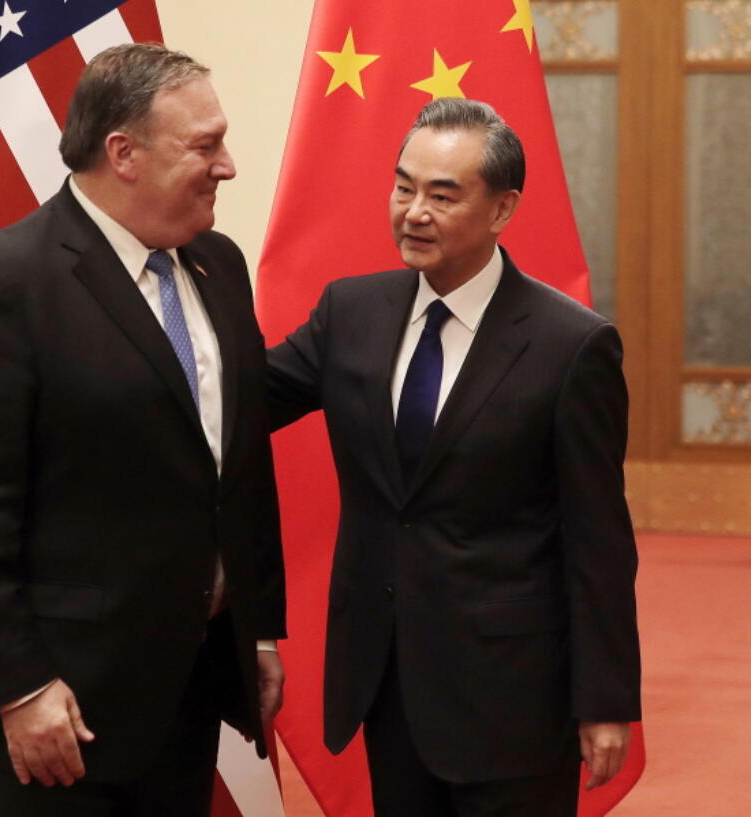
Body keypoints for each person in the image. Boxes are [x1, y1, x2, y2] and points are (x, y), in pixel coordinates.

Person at [0, 43, 285, 817]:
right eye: (205, 145)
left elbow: (234, 464)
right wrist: (20, 687)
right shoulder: (2, 282)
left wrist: (257, 628)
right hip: (53, 720)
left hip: (179, 702)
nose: (229, 166)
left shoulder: (218, 263)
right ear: (124, 154)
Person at [267, 98, 641, 817]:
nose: (413, 212)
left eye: (442, 195)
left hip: (514, 694)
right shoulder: (351, 312)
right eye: (404, 187)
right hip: (387, 676)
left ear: (502, 210)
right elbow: (242, 401)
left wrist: (605, 701)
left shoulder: (571, 347)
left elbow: (598, 541)